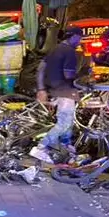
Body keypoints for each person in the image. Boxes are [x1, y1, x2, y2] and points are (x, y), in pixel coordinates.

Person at [31, 28, 83, 164]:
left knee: (68, 123)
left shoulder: (54, 49)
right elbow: (68, 74)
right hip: (65, 91)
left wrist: (41, 89)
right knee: (64, 123)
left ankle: (66, 148)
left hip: (54, 90)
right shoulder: (70, 51)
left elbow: (40, 69)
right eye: (79, 38)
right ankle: (41, 147)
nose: (80, 41)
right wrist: (83, 76)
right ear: (73, 36)